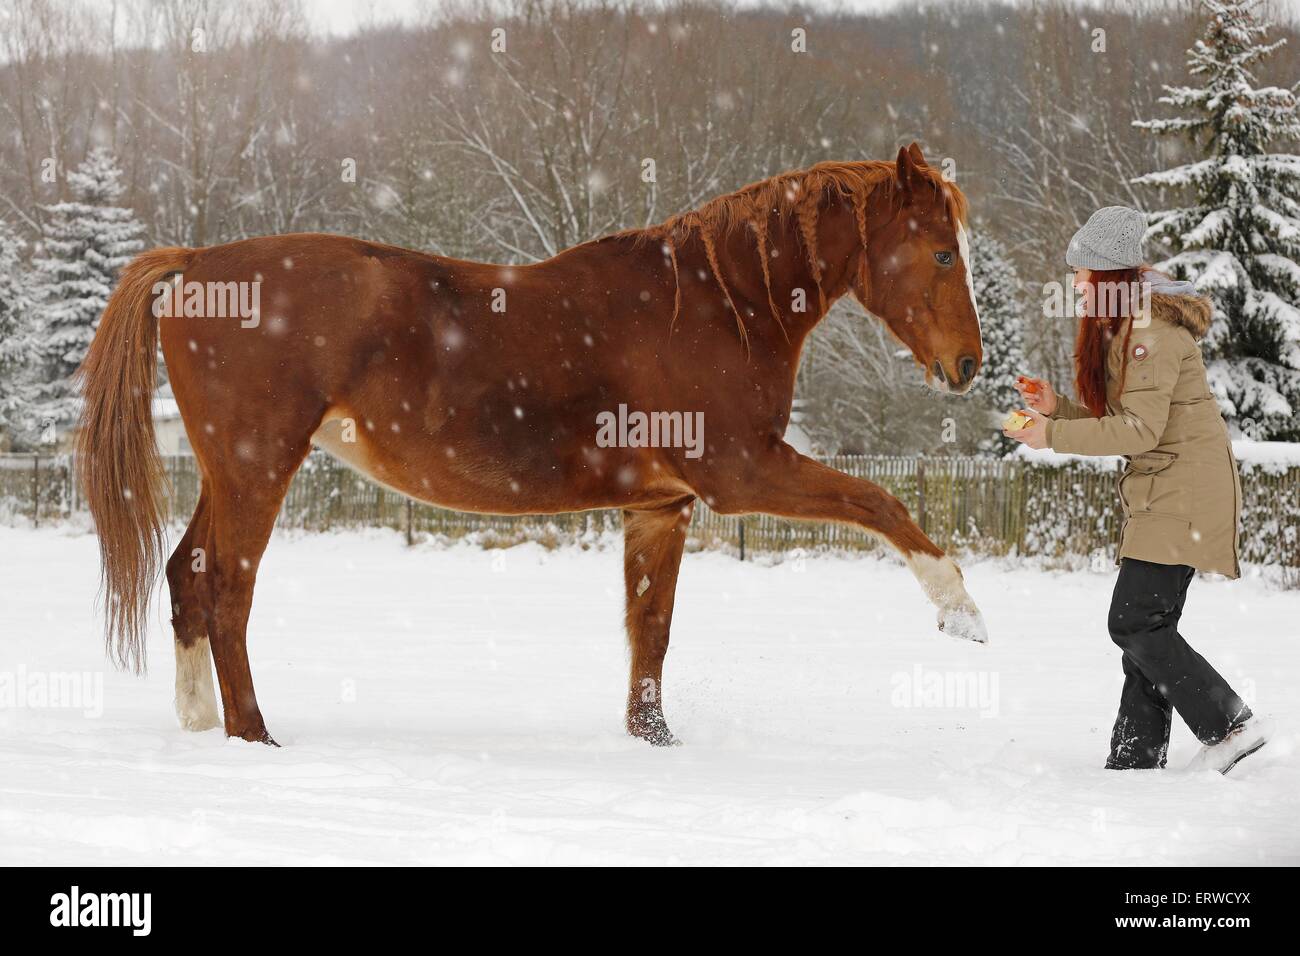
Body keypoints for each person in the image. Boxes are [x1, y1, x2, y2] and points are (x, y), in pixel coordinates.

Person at [1005, 205, 1270, 774]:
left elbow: (1138, 431)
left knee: (1133, 621)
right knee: (1148, 631)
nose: (1075, 283)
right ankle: (1135, 759)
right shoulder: (1131, 326)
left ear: (1109, 277)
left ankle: (1228, 725)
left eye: (1082, 272)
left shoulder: (1150, 332)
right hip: (1171, 486)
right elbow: (1131, 421)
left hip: (1182, 491)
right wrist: (1059, 411)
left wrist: (1052, 434)